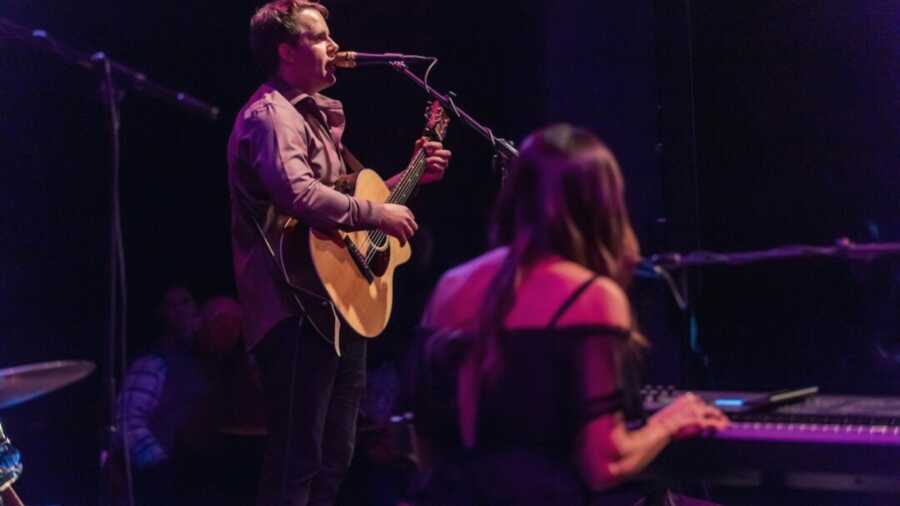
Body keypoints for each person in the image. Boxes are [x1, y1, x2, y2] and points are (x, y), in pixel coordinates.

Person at [413, 124, 728, 505]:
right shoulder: (592, 297)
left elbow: (424, 442)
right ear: (603, 204)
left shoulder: (450, 286)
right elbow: (604, 463)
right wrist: (670, 421)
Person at [226, 2, 452, 505]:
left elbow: (351, 203)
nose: (335, 46)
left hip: (332, 304)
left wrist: (409, 177)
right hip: (293, 305)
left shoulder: (313, 117)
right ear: (286, 51)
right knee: (297, 458)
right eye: (321, 37)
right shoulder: (272, 115)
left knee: (334, 455)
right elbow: (300, 196)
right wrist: (379, 215)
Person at [114, 285, 224, 505]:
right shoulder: (154, 362)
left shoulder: (204, 363)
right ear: (161, 315)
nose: (180, 310)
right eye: (171, 305)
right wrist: (160, 467)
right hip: (163, 484)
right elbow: (127, 421)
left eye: (185, 302)